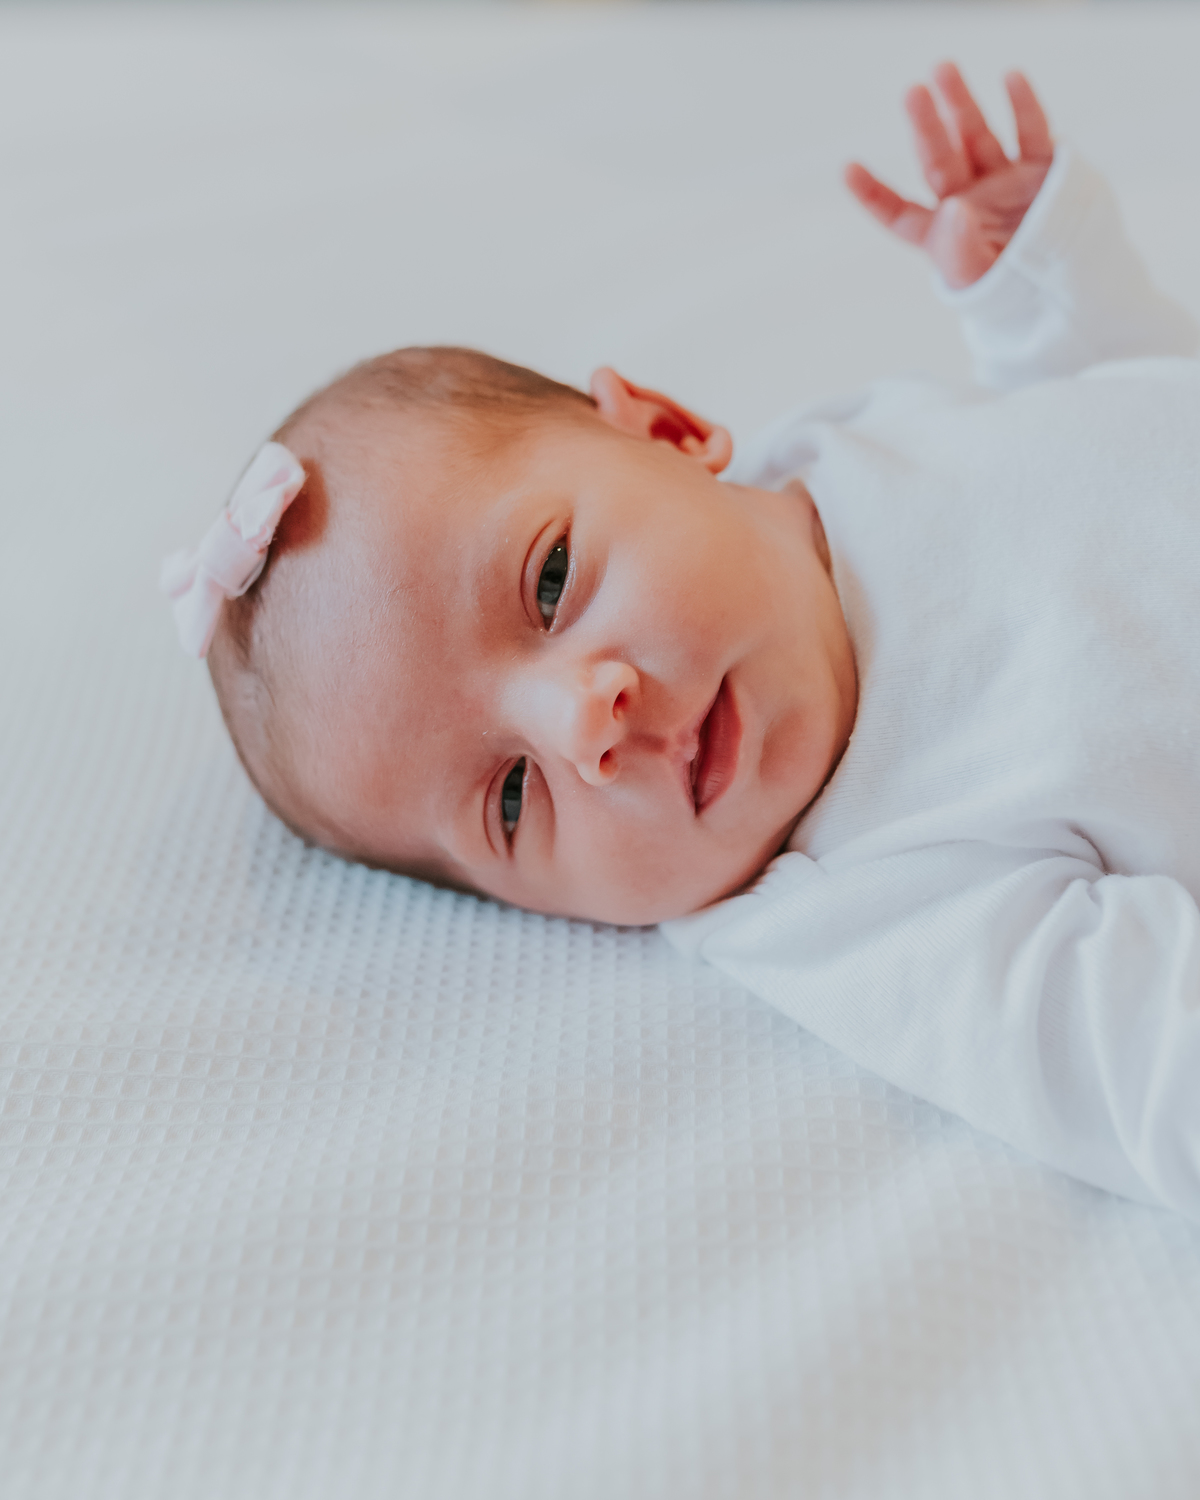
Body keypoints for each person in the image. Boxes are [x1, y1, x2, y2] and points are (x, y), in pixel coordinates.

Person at [163, 65, 1200, 1216]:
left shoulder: (839, 451)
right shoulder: (860, 902)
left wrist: (1037, 294)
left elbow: (1115, 409)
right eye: (511, 801)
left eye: (550, 581)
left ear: (668, 428)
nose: (583, 729)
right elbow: (1148, 1071)